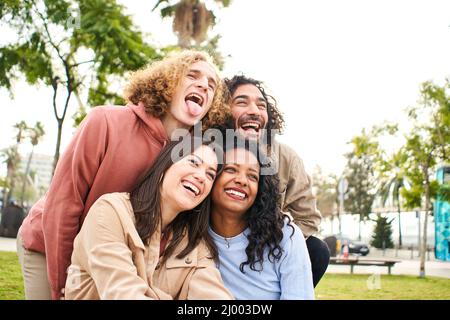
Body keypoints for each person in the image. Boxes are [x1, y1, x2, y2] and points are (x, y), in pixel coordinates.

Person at [17, 50, 229, 300]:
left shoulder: (191, 155)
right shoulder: (106, 121)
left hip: (113, 254)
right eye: (192, 75)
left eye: (211, 85)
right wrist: (64, 284)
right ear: (168, 81)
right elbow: (64, 204)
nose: (203, 85)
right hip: (49, 244)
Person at [65, 137, 233, 300]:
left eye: (210, 175)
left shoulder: (196, 246)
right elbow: (123, 293)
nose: (201, 177)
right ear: (165, 165)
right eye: (193, 162)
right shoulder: (110, 211)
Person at [224, 75, 330, 287]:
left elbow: (308, 219)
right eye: (242, 102)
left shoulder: (286, 157)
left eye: (261, 105)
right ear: (222, 110)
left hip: (262, 248)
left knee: (318, 250)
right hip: (214, 248)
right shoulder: (206, 148)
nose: (254, 110)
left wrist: (267, 242)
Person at [208, 139, 314, 299]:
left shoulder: (285, 236)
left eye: (252, 176)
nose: (242, 180)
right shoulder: (191, 234)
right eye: (230, 169)